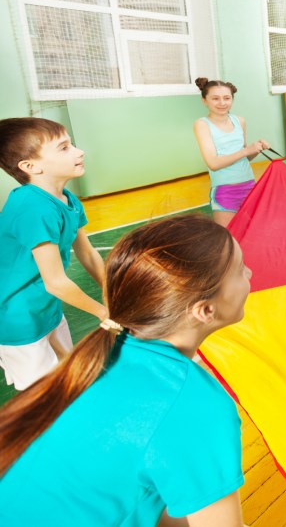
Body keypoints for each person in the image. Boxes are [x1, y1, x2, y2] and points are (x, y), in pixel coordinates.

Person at [0, 214, 250, 526]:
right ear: (205, 310)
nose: (250, 272)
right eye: (241, 269)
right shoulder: (193, 404)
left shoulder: (103, 353)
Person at [0, 118, 108, 392]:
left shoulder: (66, 198)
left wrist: (110, 291)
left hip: (45, 305)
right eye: (64, 148)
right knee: (40, 392)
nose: (78, 151)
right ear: (31, 166)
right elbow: (56, 282)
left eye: (71, 144)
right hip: (16, 315)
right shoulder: (33, 207)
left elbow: (88, 253)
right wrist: (102, 312)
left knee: (66, 373)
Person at [193, 77, 268, 227]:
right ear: (204, 101)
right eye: (215, 98)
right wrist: (246, 150)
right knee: (228, 239)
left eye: (226, 98)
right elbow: (213, 163)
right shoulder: (202, 124)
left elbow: (245, 158)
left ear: (232, 99)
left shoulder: (239, 121)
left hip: (249, 186)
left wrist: (257, 149)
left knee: (251, 233)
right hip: (225, 191)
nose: (222, 103)